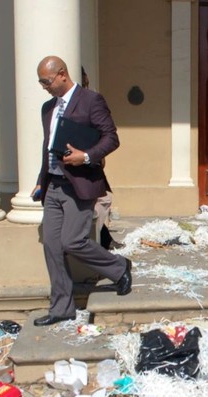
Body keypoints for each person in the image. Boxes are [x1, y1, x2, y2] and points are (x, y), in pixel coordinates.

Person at [31, 56, 132, 327]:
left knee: (72, 241)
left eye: (46, 81)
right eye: (41, 82)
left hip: (79, 183)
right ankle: (61, 308)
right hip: (53, 185)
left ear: (61, 74)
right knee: (52, 246)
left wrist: (86, 156)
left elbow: (111, 138)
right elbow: (47, 146)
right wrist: (41, 180)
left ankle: (119, 267)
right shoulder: (47, 108)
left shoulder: (90, 101)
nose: (44, 87)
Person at [81, 66, 124, 250]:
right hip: (79, 168)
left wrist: (93, 154)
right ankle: (101, 242)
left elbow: (110, 137)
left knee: (102, 200)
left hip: (90, 162)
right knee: (99, 201)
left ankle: (101, 240)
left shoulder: (91, 100)